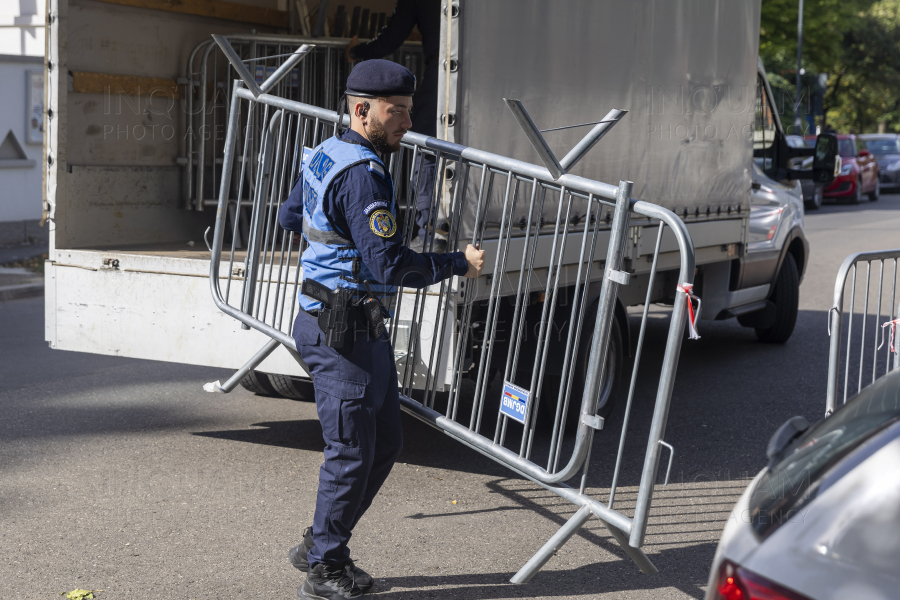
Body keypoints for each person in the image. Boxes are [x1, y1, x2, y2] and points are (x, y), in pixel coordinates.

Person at [277, 59, 485, 599]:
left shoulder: (327, 152)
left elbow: (288, 215)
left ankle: (321, 542)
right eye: (397, 113)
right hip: (338, 328)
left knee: (385, 441)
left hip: (347, 322)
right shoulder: (362, 173)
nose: (407, 123)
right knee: (351, 451)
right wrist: (457, 262)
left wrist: (331, 241)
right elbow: (391, 265)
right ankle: (324, 568)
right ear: (361, 108)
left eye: (409, 112)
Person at [346, 0, 441, 252]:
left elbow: (392, 37)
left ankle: (429, 235)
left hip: (443, 77)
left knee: (427, 151)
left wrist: (357, 51)